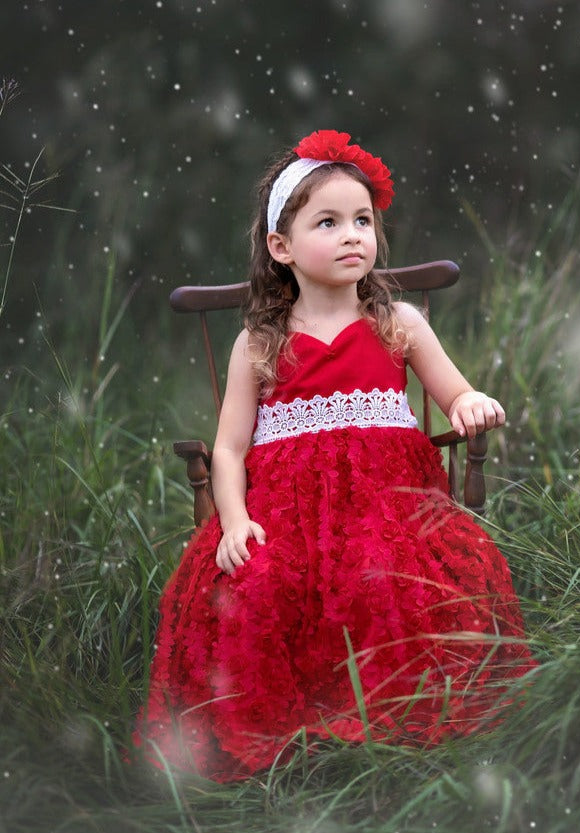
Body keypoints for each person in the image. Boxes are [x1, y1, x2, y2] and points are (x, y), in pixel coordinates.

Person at [134, 130, 536, 781]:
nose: (353, 234)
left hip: (391, 503)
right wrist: (233, 521)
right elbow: (230, 450)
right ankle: (277, 736)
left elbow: (454, 389)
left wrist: (468, 404)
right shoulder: (259, 342)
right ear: (281, 247)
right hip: (283, 509)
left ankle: (399, 723)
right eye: (329, 221)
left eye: (362, 220)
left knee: (391, 577)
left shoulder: (397, 321)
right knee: (260, 585)